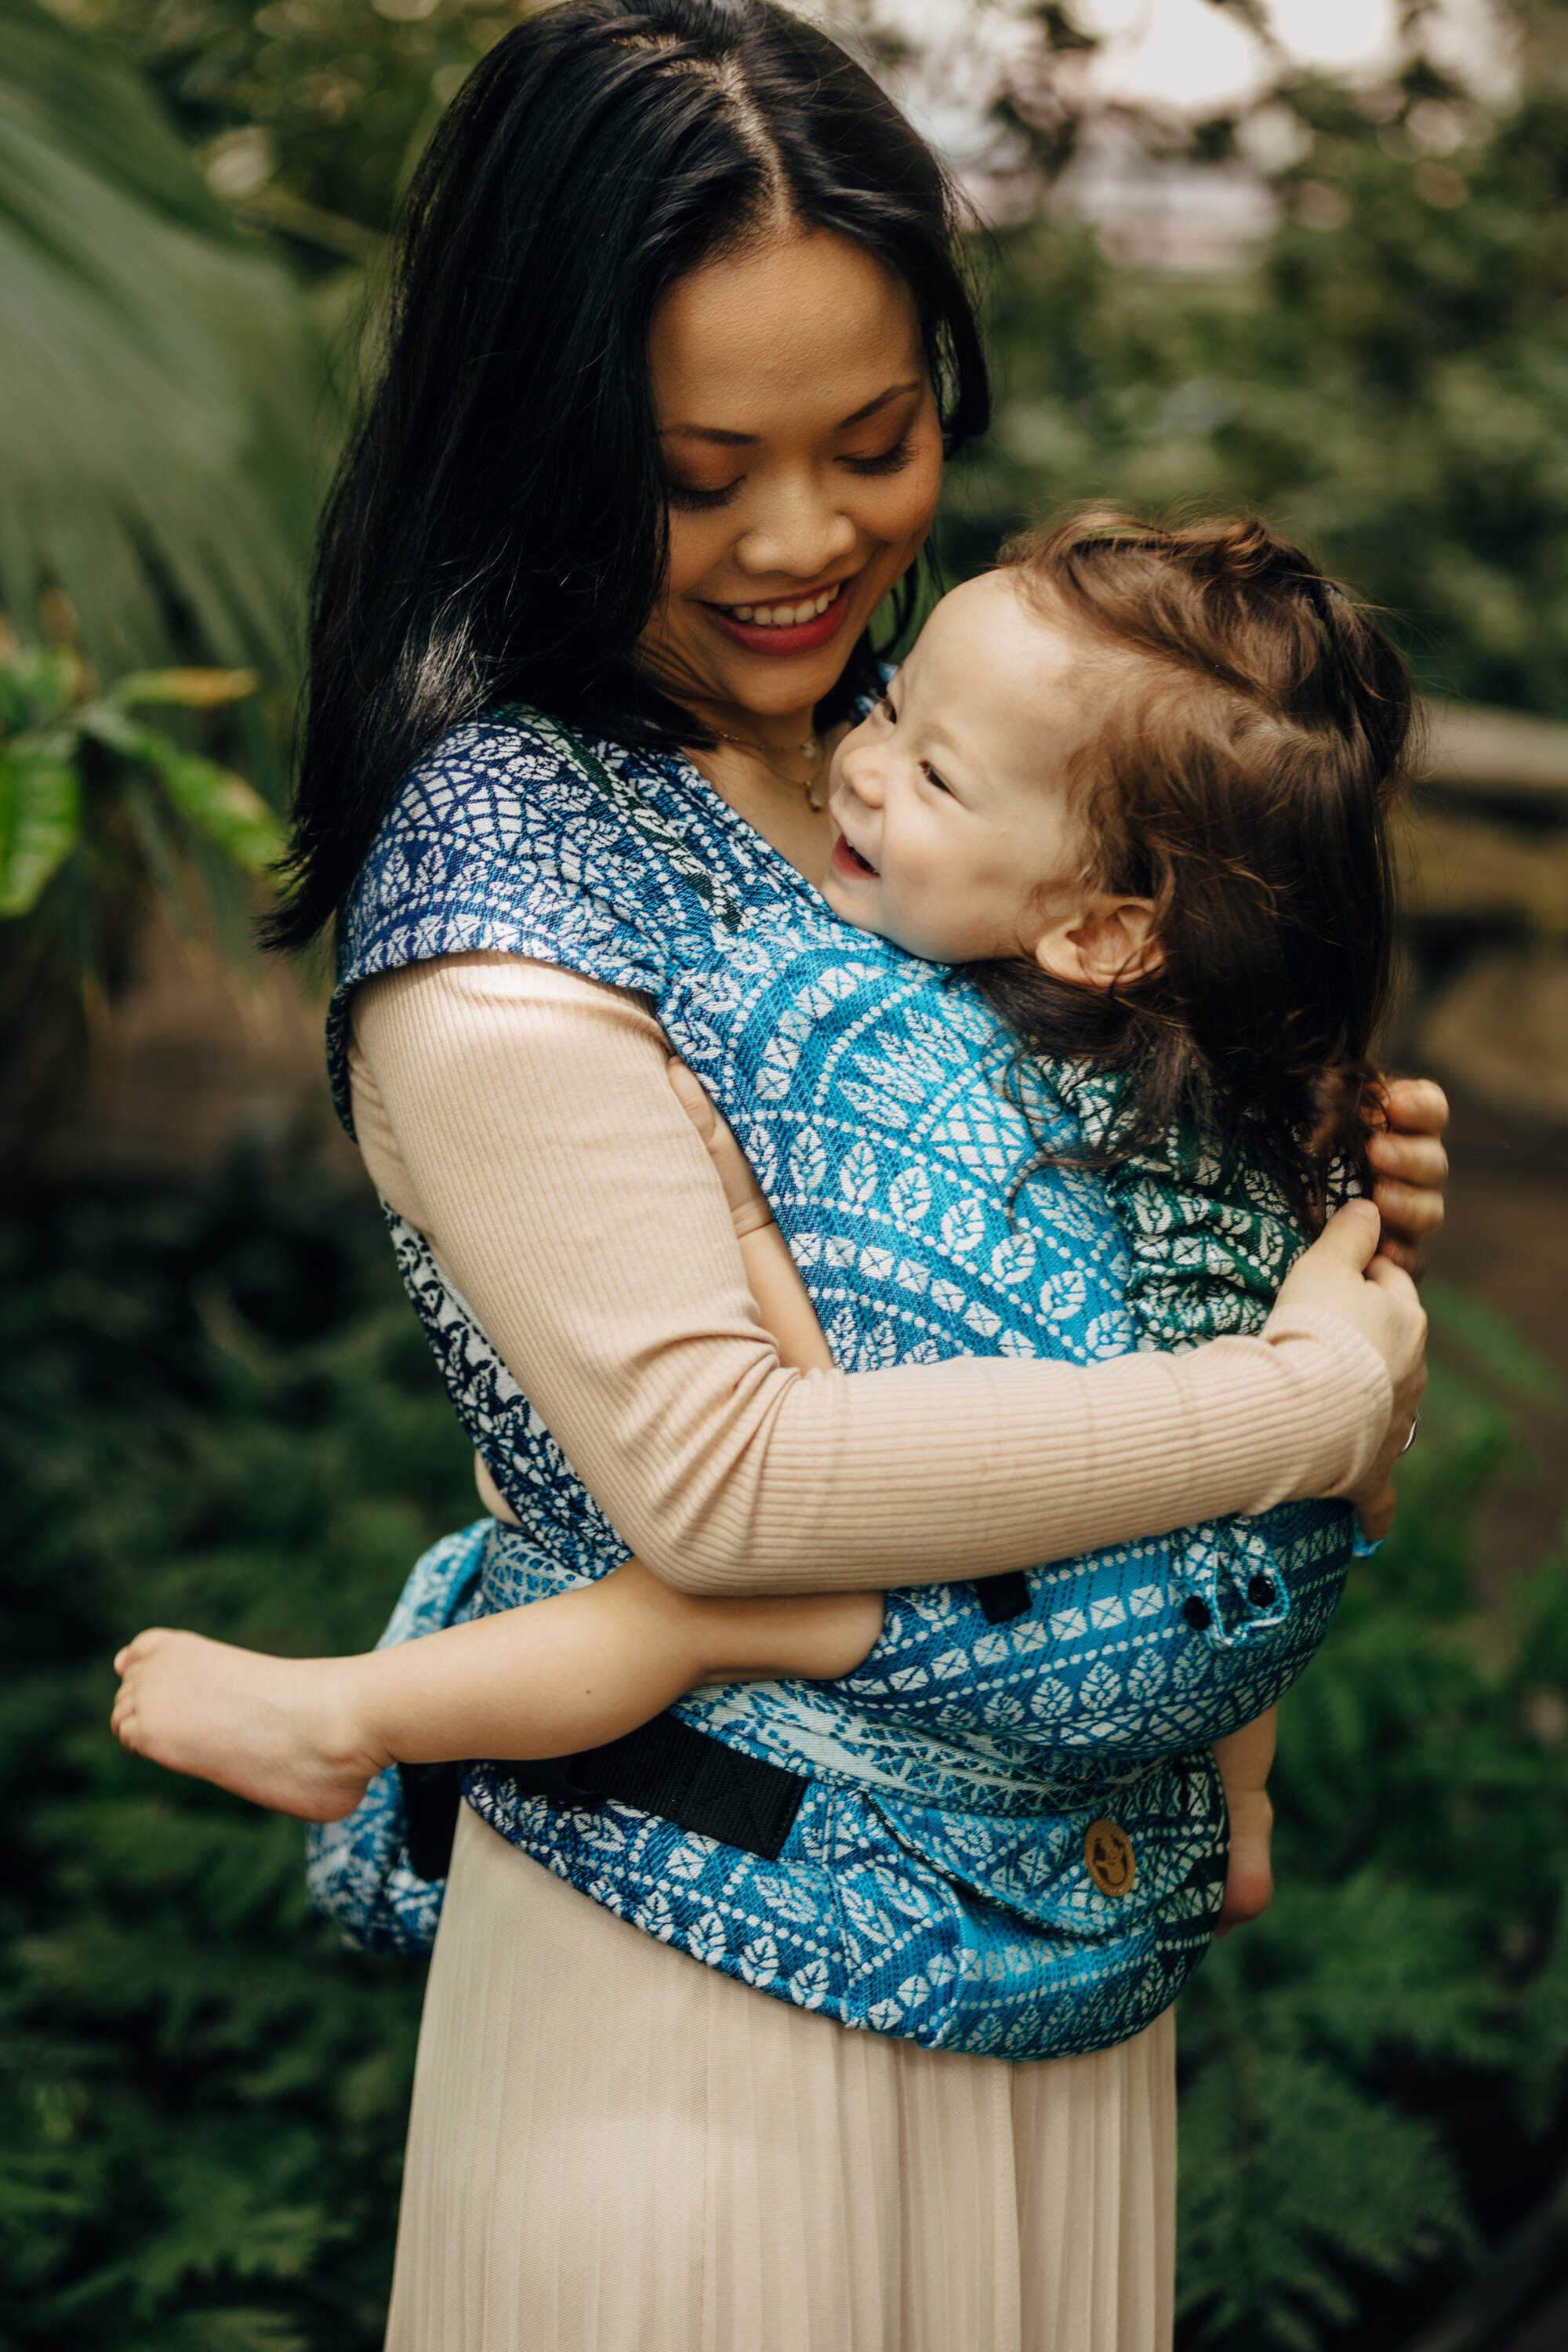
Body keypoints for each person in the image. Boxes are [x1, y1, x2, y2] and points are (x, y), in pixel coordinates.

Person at [122, 3, 1449, 2343]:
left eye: (877, 439)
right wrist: (1303, 1401)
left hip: (1058, 1968)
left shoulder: (924, 767)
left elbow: (1104, 1226)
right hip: (717, 2009)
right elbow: (725, 1492)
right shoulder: (515, 901)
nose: (807, 540)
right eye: (700, 467)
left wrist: (1305, 1191)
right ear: (534, 447)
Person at [111, 509, 1419, 1947]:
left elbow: (825, 1434)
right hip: (1209, 1641)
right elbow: (1326, 1426)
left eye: (929, 770)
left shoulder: (951, 1062)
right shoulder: (1228, 1077)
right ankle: (1241, 1819)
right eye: (892, 702)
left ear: (1100, 929)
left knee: (717, 1606)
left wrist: (740, 1218)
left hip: (1019, 1628)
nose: (855, 761)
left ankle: (348, 1716)